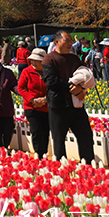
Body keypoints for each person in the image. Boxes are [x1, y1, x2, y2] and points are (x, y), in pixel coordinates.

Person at [42, 30, 95, 164]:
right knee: (59, 140)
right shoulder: (49, 59)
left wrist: (82, 89)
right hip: (58, 106)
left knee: (86, 137)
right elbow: (51, 81)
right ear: (57, 42)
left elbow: (85, 74)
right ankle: (62, 169)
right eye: (67, 40)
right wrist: (73, 89)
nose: (71, 43)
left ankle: (88, 166)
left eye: (71, 40)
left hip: (76, 106)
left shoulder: (74, 58)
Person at [18, 48, 49, 159]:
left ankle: (44, 154)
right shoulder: (26, 71)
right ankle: (38, 155)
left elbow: (53, 87)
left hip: (46, 106)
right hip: (31, 106)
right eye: (32, 60)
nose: (34, 62)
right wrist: (32, 100)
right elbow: (21, 88)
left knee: (45, 131)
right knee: (36, 131)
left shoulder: (48, 72)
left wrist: (45, 99)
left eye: (37, 60)